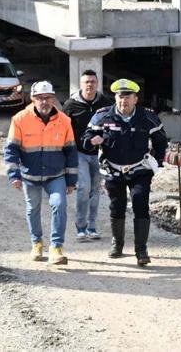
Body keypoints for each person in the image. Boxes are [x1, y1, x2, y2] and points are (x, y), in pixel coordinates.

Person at [82, 78, 168, 267]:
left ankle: (141, 250)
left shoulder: (148, 117)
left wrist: (157, 161)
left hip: (140, 170)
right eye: (120, 97)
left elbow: (161, 141)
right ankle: (117, 244)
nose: (124, 101)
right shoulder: (102, 116)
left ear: (136, 99)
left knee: (140, 203)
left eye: (128, 97)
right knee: (117, 206)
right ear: (115, 98)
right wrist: (92, 141)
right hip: (113, 170)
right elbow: (86, 138)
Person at [4, 81, 78, 266]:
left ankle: (56, 247)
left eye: (48, 98)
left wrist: (71, 179)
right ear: (33, 99)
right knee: (32, 209)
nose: (44, 102)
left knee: (59, 205)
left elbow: (70, 151)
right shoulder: (20, 119)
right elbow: (11, 150)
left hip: (56, 175)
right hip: (31, 176)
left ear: (53, 99)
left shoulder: (64, 121)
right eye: (40, 98)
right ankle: (36, 243)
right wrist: (14, 175)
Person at [61, 69, 114, 242]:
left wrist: (105, 139)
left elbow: (113, 126)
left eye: (92, 81)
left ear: (97, 83)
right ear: (81, 84)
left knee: (95, 190)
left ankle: (92, 227)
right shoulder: (71, 105)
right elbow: (63, 130)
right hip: (79, 153)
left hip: (99, 154)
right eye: (86, 82)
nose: (89, 85)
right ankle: (81, 228)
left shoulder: (106, 103)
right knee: (83, 188)